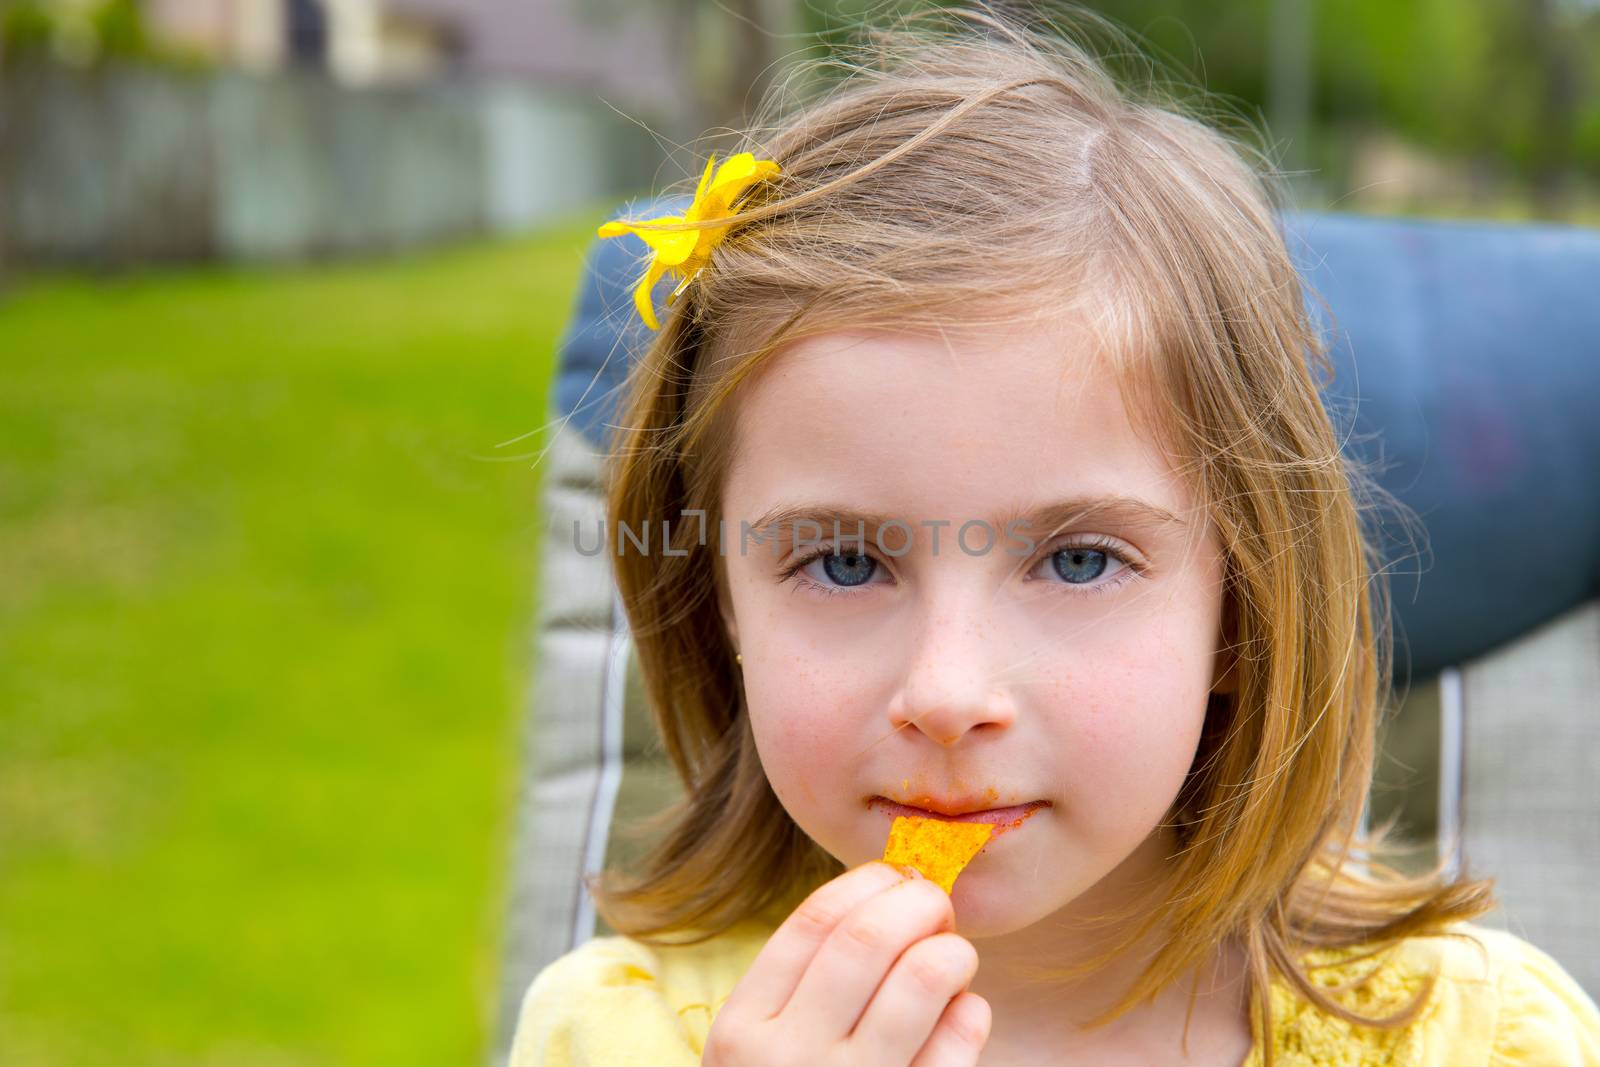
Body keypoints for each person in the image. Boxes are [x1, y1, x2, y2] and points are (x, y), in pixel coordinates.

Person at [508, 5, 1600, 1065]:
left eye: (1078, 559)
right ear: (720, 601)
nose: (944, 692)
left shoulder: (1481, 1036)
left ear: (1242, 609)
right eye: (844, 561)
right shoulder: (620, 1036)